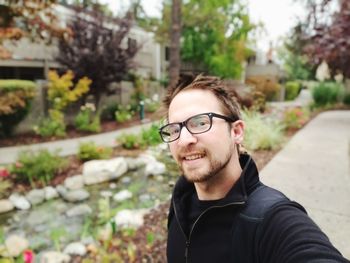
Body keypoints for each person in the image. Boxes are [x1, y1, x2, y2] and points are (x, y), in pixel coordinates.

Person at [159, 75, 349, 263]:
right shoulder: (180, 202)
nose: (183, 140)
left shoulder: (272, 220)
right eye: (174, 129)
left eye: (200, 123)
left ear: (236, 132)